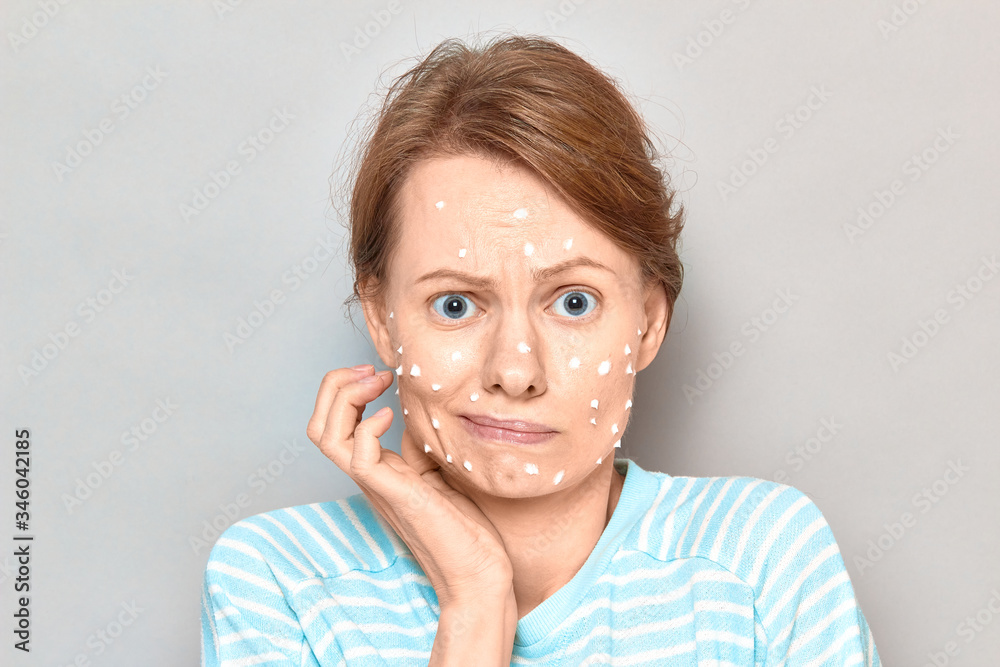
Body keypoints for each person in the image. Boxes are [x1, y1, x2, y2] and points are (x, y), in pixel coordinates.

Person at [200, 33, 881, 666]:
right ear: (382, 318)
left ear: (647, 322)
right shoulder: (278, 582)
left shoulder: (761, 560)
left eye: (573, 302)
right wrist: (474, 601)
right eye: (456, 304)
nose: (515, 370)